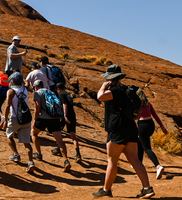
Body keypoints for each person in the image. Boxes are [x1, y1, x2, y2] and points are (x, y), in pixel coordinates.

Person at [93, 64, 155, 199]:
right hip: (131, 128)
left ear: (110, 78)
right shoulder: (127, 90)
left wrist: (103, 86)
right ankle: (147, 188)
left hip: (117, 129)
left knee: (112, 160)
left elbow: (100, 97)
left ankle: (106, 189)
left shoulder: (115, 91)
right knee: (134, 159)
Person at [0, 72, 35, 173]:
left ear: (13, 81)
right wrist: (25, 81)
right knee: (27, 143)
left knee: (9, 136)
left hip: (15, 117)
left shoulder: (11, 91)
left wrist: (5, 120)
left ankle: (16, 154)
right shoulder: (25, 89)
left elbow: (7, 106)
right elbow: (27, 83)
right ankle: (31, 162)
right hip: (26, 118)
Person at [31, 80, 71, 172]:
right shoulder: (51, 92)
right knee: (60, 140)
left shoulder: (37, 93)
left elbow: (37, 107)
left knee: (34, 134)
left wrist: (35, 120)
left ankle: (38, 154)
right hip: (55, 118)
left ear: (36, 87)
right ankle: (66, 160)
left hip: (43, 118)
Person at [136, 89, 168, 179]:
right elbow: (155, 116)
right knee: (140, 142)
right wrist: (162, 127)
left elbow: (133, 116)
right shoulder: (148, 104)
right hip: (150, 125)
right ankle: (139, 163)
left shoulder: (137, 105)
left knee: (146, 148)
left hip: (142, 126)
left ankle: (158, 166)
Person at [52, 82, 82, 163]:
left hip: (65, 115)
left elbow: (64, 104)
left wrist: (65, 116)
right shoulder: (68, 95)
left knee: (58, 132)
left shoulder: (61, 94)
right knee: (73, 136)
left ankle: (59, 148)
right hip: (72, 115)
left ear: (58, 89)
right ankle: (78, 154)